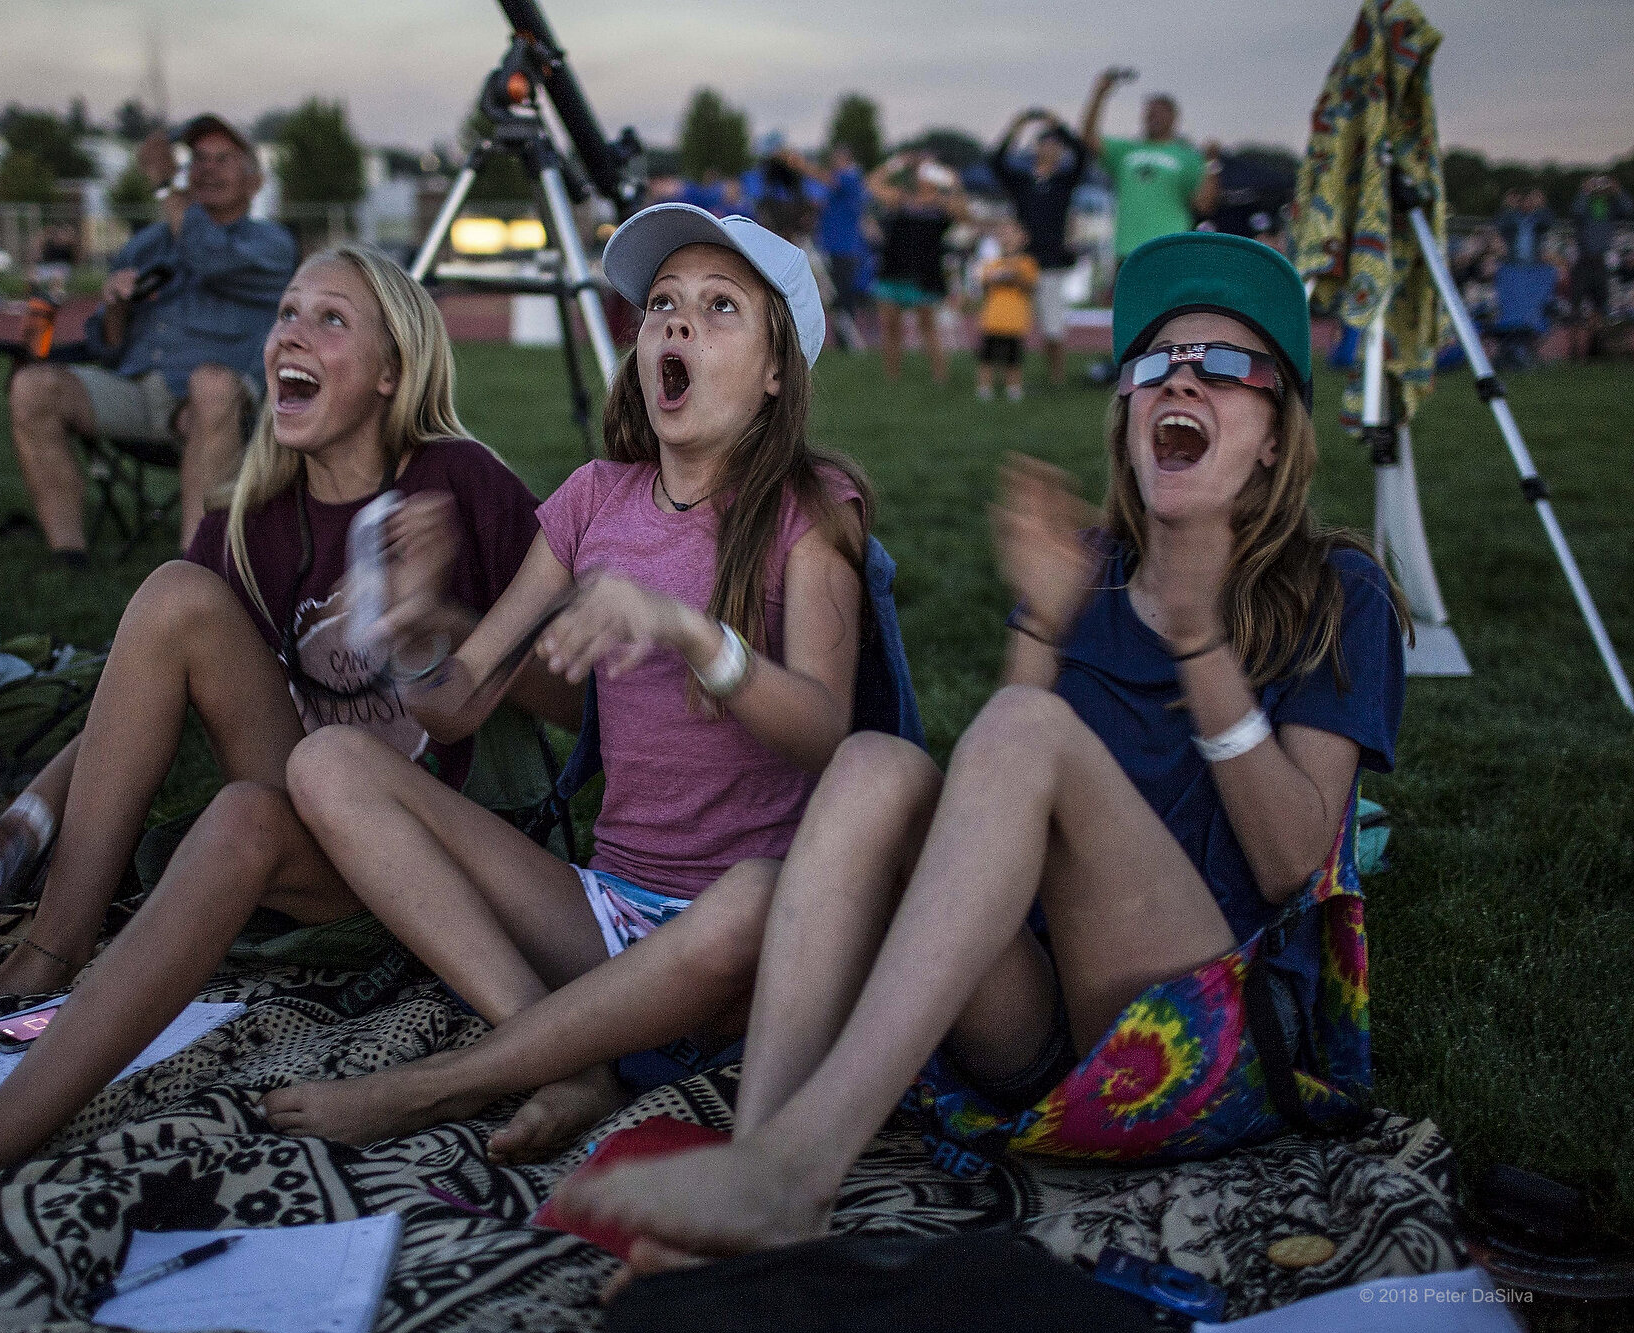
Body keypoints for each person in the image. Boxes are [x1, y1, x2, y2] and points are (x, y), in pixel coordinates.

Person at [551, 232, 1408, 1270]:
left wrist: (1198, 639)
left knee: (1020, 728)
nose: (1179, 376)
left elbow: (1289, 862)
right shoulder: (1082, 568)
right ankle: (763, 1154)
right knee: (876, 764)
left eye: (1224, 366)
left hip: (1213, 1039)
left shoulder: (1337, 592)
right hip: (1041, 1028)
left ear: (1275, 435)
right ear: (1129, 411)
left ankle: (797, 1166)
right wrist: (1041, 628)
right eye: (1154, 363)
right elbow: (997, 826)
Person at [260, 204, 871, 1162]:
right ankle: (570, 1057)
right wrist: (419, 627)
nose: (674, 323)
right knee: (329, 764)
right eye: (662, 305)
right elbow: (457, 698)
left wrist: (691, 632)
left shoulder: (808, 512)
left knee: (752, 899)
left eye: (719, 309)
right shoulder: (592, 498)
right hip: (603, 912)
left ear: (775, 371)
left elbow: (829, 732)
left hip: (752, 943)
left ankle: (444, 1081)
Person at [0, 243, 544, 1062]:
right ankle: (43, 958)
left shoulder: (460, 485)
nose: (292, 333)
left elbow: (585, 697)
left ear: (393, 370)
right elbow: (135, 706)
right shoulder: (248, 524)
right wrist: (19, 824)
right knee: (174, 597)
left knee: (192, 614)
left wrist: (438, 618)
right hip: (312, 840)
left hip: (447, 852)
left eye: (330, 319)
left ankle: (43, 956)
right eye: (286, 312)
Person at [7, 115, 295, 562]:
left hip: (218, 403)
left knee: (212, 385)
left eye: (224, 160)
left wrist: (165, 187)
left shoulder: (271, 243)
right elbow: (106, 345)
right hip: (137, 388)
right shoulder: (146, 244)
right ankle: (68, 553)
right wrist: (118, 306)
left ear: (254, 182)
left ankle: (194, 560)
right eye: (198, 159)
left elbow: (209, 259)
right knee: (32, 387)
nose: (208, 169)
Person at [1082, 70, 1217, 282]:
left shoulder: (1187, 155)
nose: (1152, 117)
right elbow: (1088, 138)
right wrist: (1100, 93)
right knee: (1132, 309)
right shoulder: (1126, 150)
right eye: (1149, 112)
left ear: (1173, 117)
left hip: (1170, 247)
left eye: (1159, 112)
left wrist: (1211, 164)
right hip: (1128, 248)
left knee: (1168, 311)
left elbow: (1203, 205)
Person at [990, 109, 1089, 385]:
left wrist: (1059, 125)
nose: (1051, 150)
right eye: (1046, 144)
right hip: (1022, 262)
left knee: (1053, 328)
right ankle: (1010, 377)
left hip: (1052, 263)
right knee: (1011, 323)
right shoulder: (1022, 182)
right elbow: (996, 160)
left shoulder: (1063, 182)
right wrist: (1017, 126)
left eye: (1056, 145)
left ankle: (1056, 377)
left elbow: (1082, 154)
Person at [866, 155, 970, 383]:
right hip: (893, 271)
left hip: (925, 275)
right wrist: (895, 164)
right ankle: (892, 378)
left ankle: (939, 377)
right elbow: (872, 184)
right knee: (891, 328)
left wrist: (955, 184)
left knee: (928, 328)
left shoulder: (940, 206)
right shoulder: (901, 199)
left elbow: (963, 215)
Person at [783, 146, 870, 353]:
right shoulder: (843, 184)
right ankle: (844, 343)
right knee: (837, 294)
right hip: (835, 246)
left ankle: (850, 342)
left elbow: (828, 179)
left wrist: (801, 165)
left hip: (843, 248)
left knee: (838, 295)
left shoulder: (850, 177)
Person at [974, 220, 1039, 402]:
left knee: (1014, 356)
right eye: (1003, 234)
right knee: (987, 356)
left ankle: (1014, 386)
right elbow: (984, 282)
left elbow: (1029, 284)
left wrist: (1013, 271)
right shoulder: (993, 263)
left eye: (1012, 234)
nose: (1007, 238)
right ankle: (984, 387)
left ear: (1023, 239)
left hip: (1015, 320)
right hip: (993, 319)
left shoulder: (1027, 263)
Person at [1570, 175, 1631, 360]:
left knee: (1600, 308)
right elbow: (1576, 211)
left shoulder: (1610, 207)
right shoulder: (1585, 205)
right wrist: (1584, 191)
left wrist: (1617, 191)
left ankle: (1595, 349)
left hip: (1600, 263)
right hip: (1582, 261)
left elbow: (1629, 210)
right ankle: (1575, 351)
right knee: (1576, 307)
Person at [1495, 188, 1558, 267]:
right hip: (1512, 260)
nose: (1528, 202)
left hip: (1536, 261)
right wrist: (1508, 206)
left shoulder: (1540, 216)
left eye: (1534, 198)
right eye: (1523, 200)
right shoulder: (1511, 216)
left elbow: (1549, 222)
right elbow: (1498, 225)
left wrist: (1541, 205)